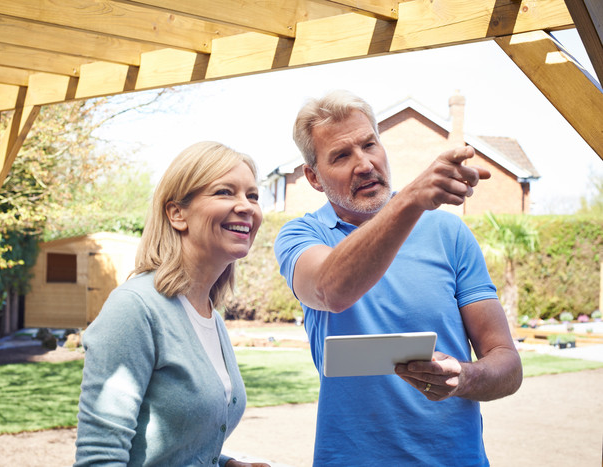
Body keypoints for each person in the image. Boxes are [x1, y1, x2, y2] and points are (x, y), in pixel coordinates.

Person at [274, 90, 523, 466]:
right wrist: (410, 200)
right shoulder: (302, 236)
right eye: (341, 156)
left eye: (369, 145)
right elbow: (330, 289)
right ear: (312, 176)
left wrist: (464, 378)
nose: (364, 164)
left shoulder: (449, 234)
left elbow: (507, 364)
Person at [75, 141, 270, 467]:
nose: (246, 206)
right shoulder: (135, 308)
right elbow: (99, 458)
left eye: (252, 196)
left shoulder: (210, 316)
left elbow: (173, 444)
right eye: (225, 192)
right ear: (177, 213)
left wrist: (224, 464)